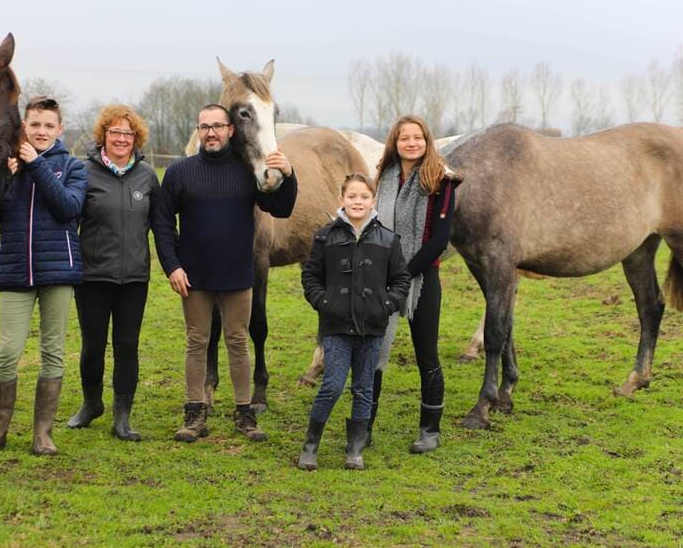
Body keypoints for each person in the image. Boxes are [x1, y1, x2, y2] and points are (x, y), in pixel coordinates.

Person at [152, 104, 297, 443]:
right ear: (198, 131)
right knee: (196, 342)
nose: (211, 133)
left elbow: (281, 207)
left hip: (237, 275)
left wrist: (289, 175)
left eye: (217, 126)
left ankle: (245, 413)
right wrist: (171, 265)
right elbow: (161, 221)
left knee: (237, 342)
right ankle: (195, 413)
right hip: (194, 277)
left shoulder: (247, 172)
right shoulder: (179, 172)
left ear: (231, 130)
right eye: (205, 127)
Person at [0, 95, 87, 456]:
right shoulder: (7, 166)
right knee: (7, 352)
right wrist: (0, 178)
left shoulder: (72, 167)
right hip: (15, 271)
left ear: (59, 129)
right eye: (35, 124)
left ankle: (42, 434)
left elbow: (69, 208)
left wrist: (36, 167)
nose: (41, 131)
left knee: (53, 352)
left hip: (58, 271)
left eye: (49, 125)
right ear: (25, 127)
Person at [299, 173, 410, 470]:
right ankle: (311, 445)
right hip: (335, 326)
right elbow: (311, 276)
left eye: (363, 197)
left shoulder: (388, 239)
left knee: (364, 388)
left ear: (373, 200)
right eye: (352, 196)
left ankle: (355, 449)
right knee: (332, 386)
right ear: (342, 200)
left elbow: (401, 279)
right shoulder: (325, 236)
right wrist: (324, 303)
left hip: (372, 328)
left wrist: (386, 305)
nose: (357, 202)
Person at [65, 104, 158, 440]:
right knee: (93, 345)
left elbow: (159, 224)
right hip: (92, 276)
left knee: (127, 346)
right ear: (103, 135)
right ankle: (91, 404)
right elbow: (69, 219)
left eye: (128, 133)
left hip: (134, 277)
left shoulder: (147, 176)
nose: (121, 138)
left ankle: (122, 416)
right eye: (115, 132)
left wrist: (173, 265)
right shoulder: (83, 172)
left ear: (136, 138)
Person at [372, 115, 461, 454]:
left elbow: (440, 241)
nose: (411, 143)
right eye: (404, 138)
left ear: (427, 142)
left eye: (418, 137)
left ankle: (430, 430)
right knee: (374, 353)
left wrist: (405, 273)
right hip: (382, 277)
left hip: (422, 277)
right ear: (395, 143)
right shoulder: (384, 179)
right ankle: (364, 426)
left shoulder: (442, 181)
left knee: (427, 354)